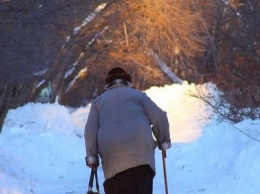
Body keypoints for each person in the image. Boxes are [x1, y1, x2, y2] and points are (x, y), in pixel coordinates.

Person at [84, 67, 171, 194]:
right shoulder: (139, 96)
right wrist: (163, 142)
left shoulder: (98, 103)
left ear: (107, 84)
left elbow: (90, 131)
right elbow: (160, 117)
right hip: (142, 157)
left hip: (113, 159)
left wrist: (92, 158)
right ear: (127, 82)